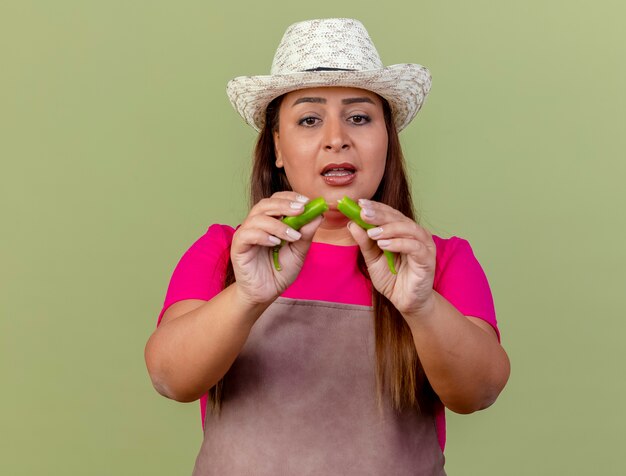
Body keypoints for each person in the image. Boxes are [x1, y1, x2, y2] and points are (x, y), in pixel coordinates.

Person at [144, 18, 510, 475]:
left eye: (359, 117)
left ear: (388, 142)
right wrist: (247, 295)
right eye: (309, 119)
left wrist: (420, 305)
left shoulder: (439, 261)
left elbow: (480, 392)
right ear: (277, 146)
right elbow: (169, 378)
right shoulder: (226, 251)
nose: (337, 138)